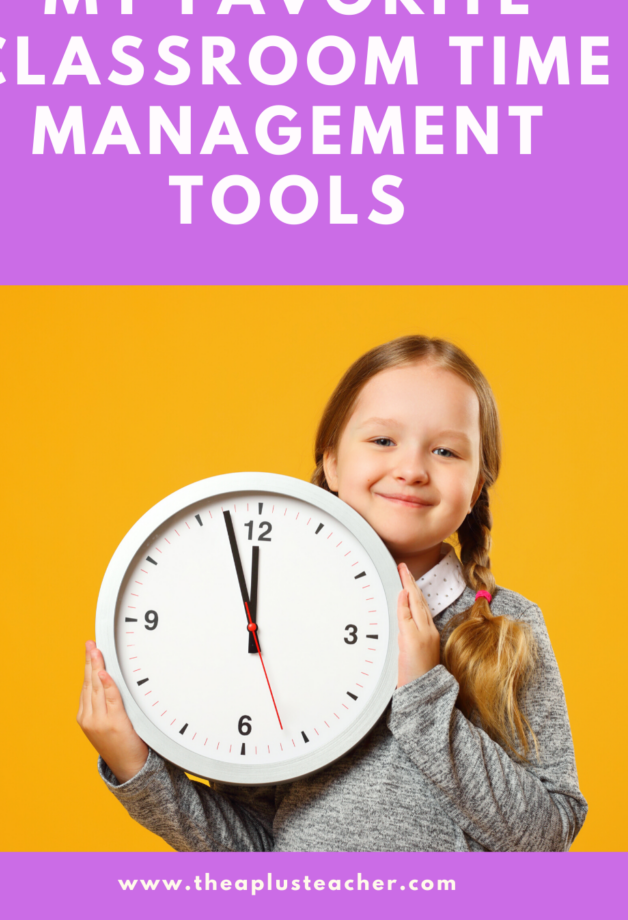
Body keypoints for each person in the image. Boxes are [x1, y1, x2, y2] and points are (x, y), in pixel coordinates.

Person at [77, 335, 587, 851]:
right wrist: (135, 766)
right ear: (333, 463)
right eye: (383, 441)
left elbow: (546, 838)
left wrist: (425, 697)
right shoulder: (270, 629)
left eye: (446, 450)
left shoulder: (506, 628)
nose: (411, 469)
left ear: (477, 486)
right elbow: (255, 851)